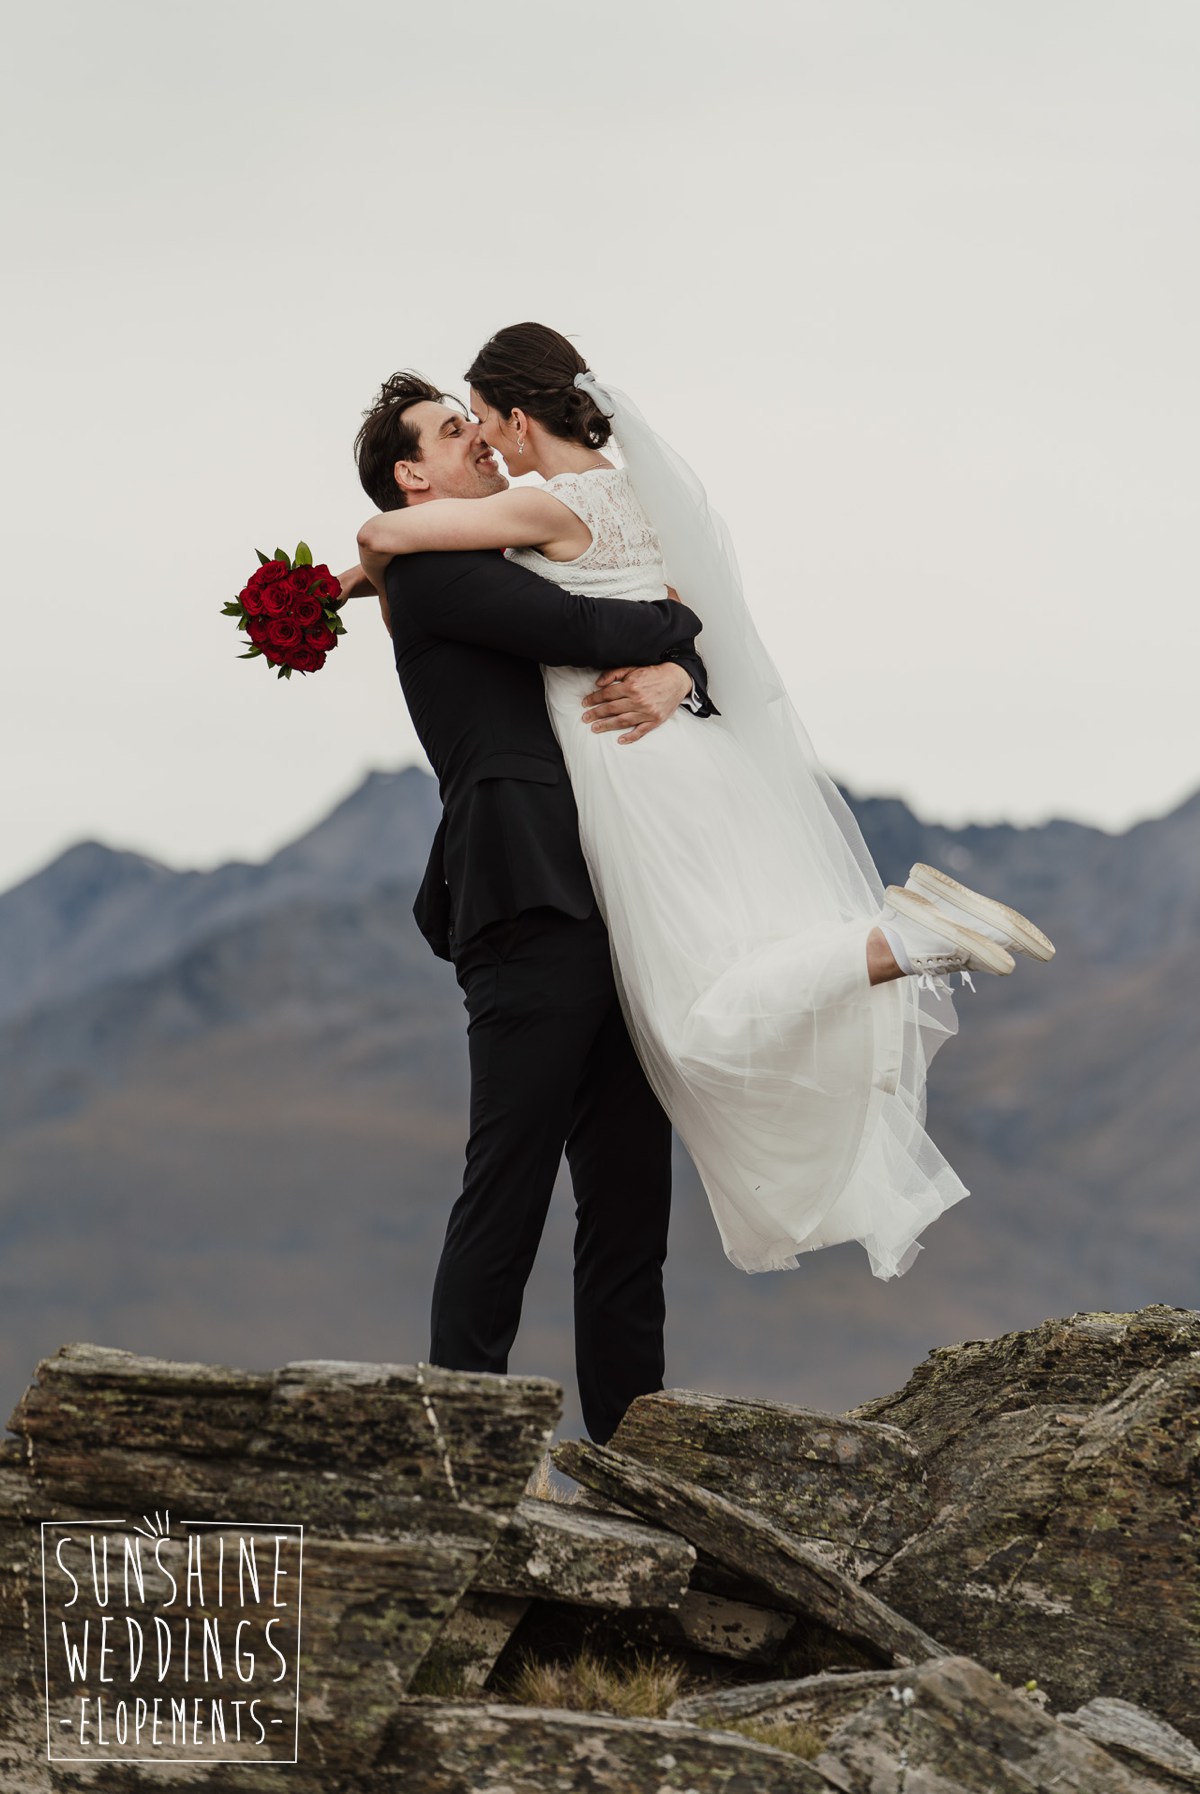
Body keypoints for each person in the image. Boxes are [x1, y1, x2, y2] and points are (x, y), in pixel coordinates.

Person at [352, 325, 1055, 1287]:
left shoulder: (539, 504)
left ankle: (906, 941)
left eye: (480, 419)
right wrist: (681, 664)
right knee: (728, 967)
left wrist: (354, 572)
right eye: (457, 428)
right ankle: (896, 941)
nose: (481, 439)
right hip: (694, 759)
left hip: (629, 772)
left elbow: (398, 536)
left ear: (520, 418)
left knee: (688, 1023)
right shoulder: (636, 492)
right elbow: (686, 610)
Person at [339, 373, 715, 1445]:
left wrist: (679, 673)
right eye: (456, 433)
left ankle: (638, 1464)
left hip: (608, 898)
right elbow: (581, 628)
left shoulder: (479, 553)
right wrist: (684, 622)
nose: (483, 443)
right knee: (506, 1192)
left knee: (630, 1206)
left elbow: (606, 634)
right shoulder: (432, 577)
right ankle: (459, 1457)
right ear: (415, 476)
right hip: (523, 899)